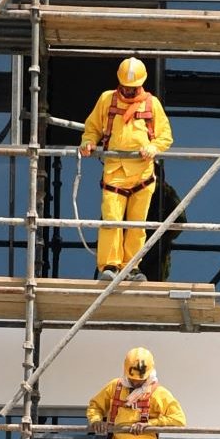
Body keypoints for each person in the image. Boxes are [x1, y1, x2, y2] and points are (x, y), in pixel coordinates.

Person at [78, 57, 173, 280]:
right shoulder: (107, 100)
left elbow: (165, 136)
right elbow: (92, 128)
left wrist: (153, 146)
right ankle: (109, 266)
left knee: (136, 225)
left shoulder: (152, 104)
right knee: (111, 221)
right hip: (115, 174)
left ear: (141, 84)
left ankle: (131, 266)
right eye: (126, 88)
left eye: (133, 88)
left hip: (142, 176)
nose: (129, 92)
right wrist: (88, 142)